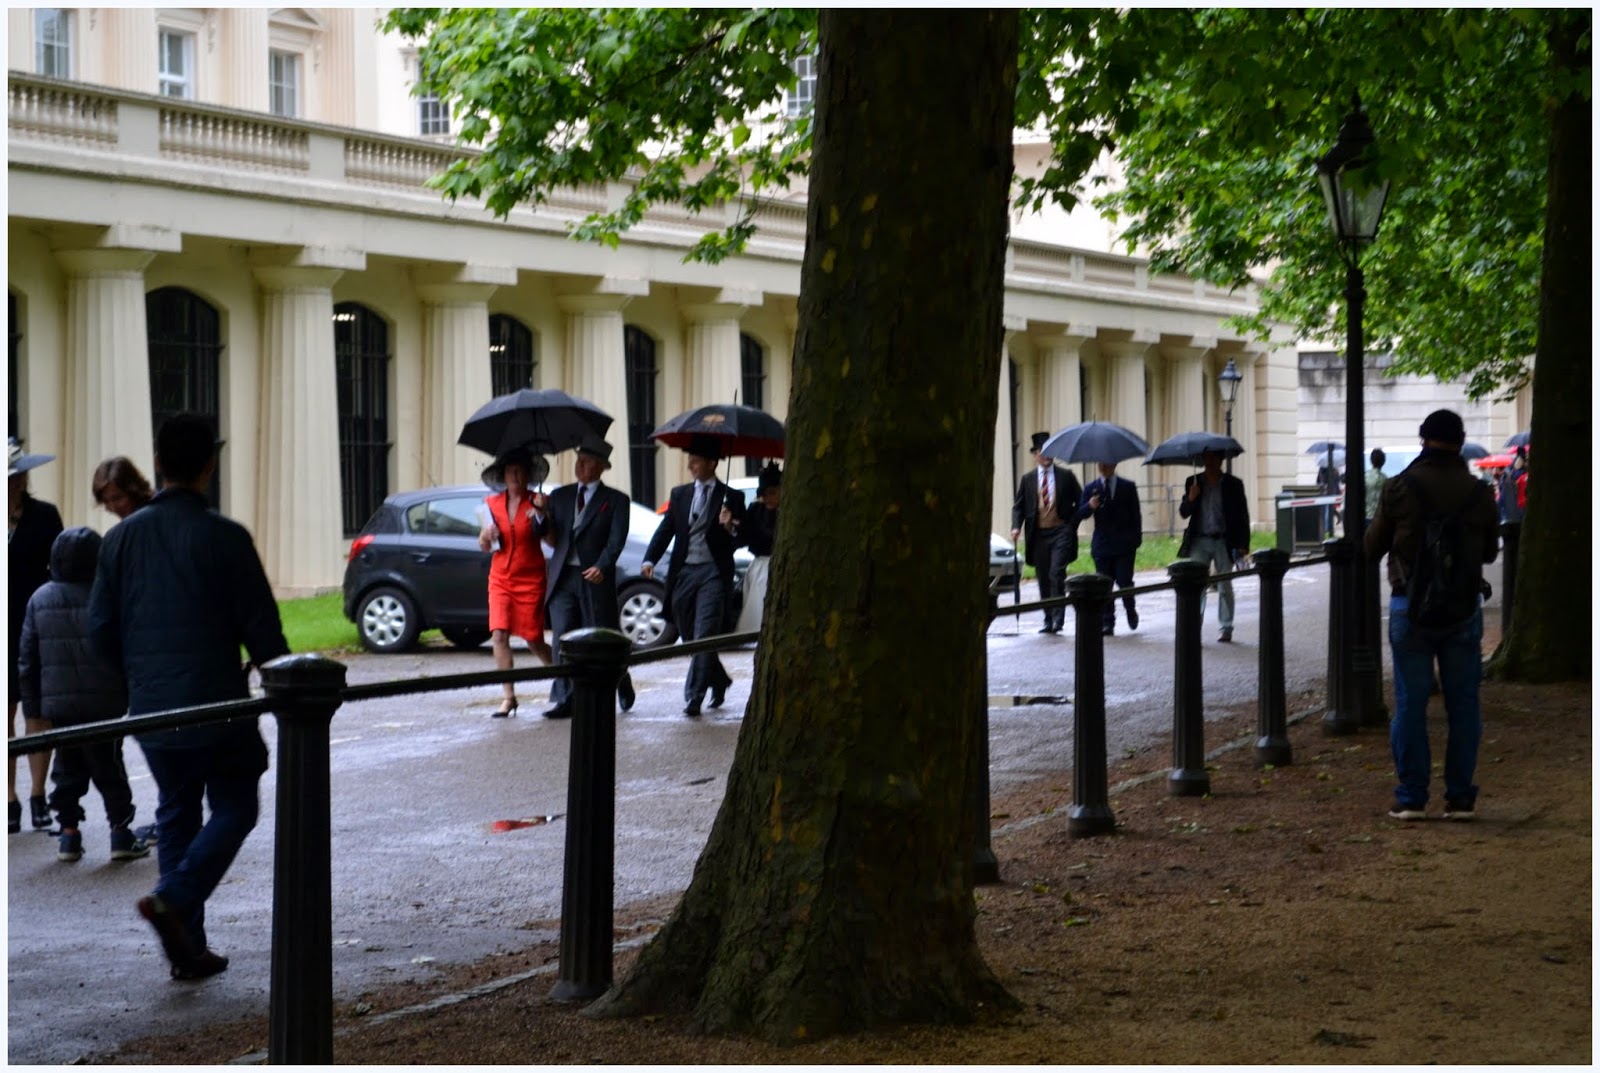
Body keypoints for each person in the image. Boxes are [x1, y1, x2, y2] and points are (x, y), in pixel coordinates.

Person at [88, 413, 289, 980]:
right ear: (209, 465)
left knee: (176, 813)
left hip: (153, 709)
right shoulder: (225, 537)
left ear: (157, 464)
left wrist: (137, 679)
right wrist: (283, 682)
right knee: (236, 805)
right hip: (217, 704)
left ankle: (186, 947)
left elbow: (99, 630)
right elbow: (263, 632)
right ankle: (176, 902)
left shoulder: (119, 539)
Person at [1365, 409, 1498, 821]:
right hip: (1462, 609)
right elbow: (1490, 552)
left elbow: (1372, 546)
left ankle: (1411, 797)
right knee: (1464, 704)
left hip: (1410, 607)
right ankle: (1460, 798)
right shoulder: (1479, 492)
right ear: (1460, 442)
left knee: (1410, 703)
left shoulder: (1399, 488)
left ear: (1423, 439)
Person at [18, 527, 150, 863]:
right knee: (109, 766)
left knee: (67, 766)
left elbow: (27, 660)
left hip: (59, 704)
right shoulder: (109, 595)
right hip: (105, 701)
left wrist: (34, 708)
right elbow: (129, 650)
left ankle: (69, 834)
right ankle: (120, 832)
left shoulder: (40, 598)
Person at [641, 434, 747, 717]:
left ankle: (694, 696)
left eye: (696, 461)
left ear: (712, 463)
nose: (691, 466)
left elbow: (742, 538)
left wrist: (729, 526)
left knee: (704, 633)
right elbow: (667, 529)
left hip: (713, 573)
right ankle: (719, 679)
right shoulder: (680, 494)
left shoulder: (732, 497)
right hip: (684, 571)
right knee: (689, 635)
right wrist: (650, 558)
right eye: (690, 460)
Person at [541, 437, 634, 720]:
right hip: (563, 577)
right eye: (578, 460)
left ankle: (621, 680)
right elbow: (549, 537)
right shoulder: (560, 496)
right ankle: (564, 698)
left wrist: (602, 566)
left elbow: (616, 541)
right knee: (562, 638)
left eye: (587, 461)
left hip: (594, 577)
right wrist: (541, 513)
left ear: (602, 466)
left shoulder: (616, 500)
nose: (580, 465)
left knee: (601, 636)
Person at [9, 437, 63, 834]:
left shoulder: (45, 516)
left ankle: (38, 795)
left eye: (19, 475)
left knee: (38, 714)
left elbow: (60, 570)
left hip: (36, 625)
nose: (17, 482)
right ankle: (8, 799)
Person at [477, 448, 554, 718]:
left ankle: (565, 679)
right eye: (511, 471)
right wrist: (486, 535)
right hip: (500, 577)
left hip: (530, 578)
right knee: (499, 634)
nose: (515, 476)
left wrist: (542, 515)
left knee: (534, 640)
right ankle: (508, 697)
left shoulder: (538, 501)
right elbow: (484, 545)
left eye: (520, 471)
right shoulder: (492, 503)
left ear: (528, 475)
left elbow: (552, 541)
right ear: (503, 475)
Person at [1010, 431, 1083, 634]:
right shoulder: (1028, 479)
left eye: (1050, 451)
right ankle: (1048, 618)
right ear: (1035, 455)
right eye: (1042, 452)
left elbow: (1081, 500)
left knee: (1056, 573)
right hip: (1039, 535)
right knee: (1043, 576)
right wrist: (1016, 526)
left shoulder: (1066, 476)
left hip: (1061, 532)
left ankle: (1058, 618)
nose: (1046, 455)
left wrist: (1071, 524)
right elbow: (1018, 506)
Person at [1178, 448, 1251, 643]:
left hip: (1224, 540)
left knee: (1224, 585)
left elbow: (1242, 516)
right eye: (1206, 458)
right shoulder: (1193, 482)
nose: (1209, 462)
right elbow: (1184, 512)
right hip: (1200, 540)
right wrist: (1191, 498)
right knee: (1197, 585)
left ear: (1221, 460)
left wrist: (1243, 545)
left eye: (1213, 458)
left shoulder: (1233, 484)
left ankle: (1226, 627)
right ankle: (1194, 626)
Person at [1076, 461, 1142, 636]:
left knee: (1124, 580)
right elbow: (1080, 514)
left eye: (1106, 464)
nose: (1103, 467)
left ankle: (1130, 608)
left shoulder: (1127, 486)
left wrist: (1135, 541)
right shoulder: (1091, 488)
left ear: (1114, 464)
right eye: (1100, 464)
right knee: (1105, 584)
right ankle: (1107, 621)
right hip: (1103, 545)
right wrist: (1090, 506)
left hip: (1124, 545)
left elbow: (1136, 515)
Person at [733, 462, 781, 635]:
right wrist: (733, 526)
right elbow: (743, 539)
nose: (768, 498)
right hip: (758, 567)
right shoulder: (755, 510)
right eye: (765, 494)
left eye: (772, 493)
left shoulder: (785, 513)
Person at [1364, 448, 1387, 523]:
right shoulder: (1386, 480)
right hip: (1380, 519)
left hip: (1365, 517)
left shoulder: (1364, 477)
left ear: (1371, 461)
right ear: (1383, 462)